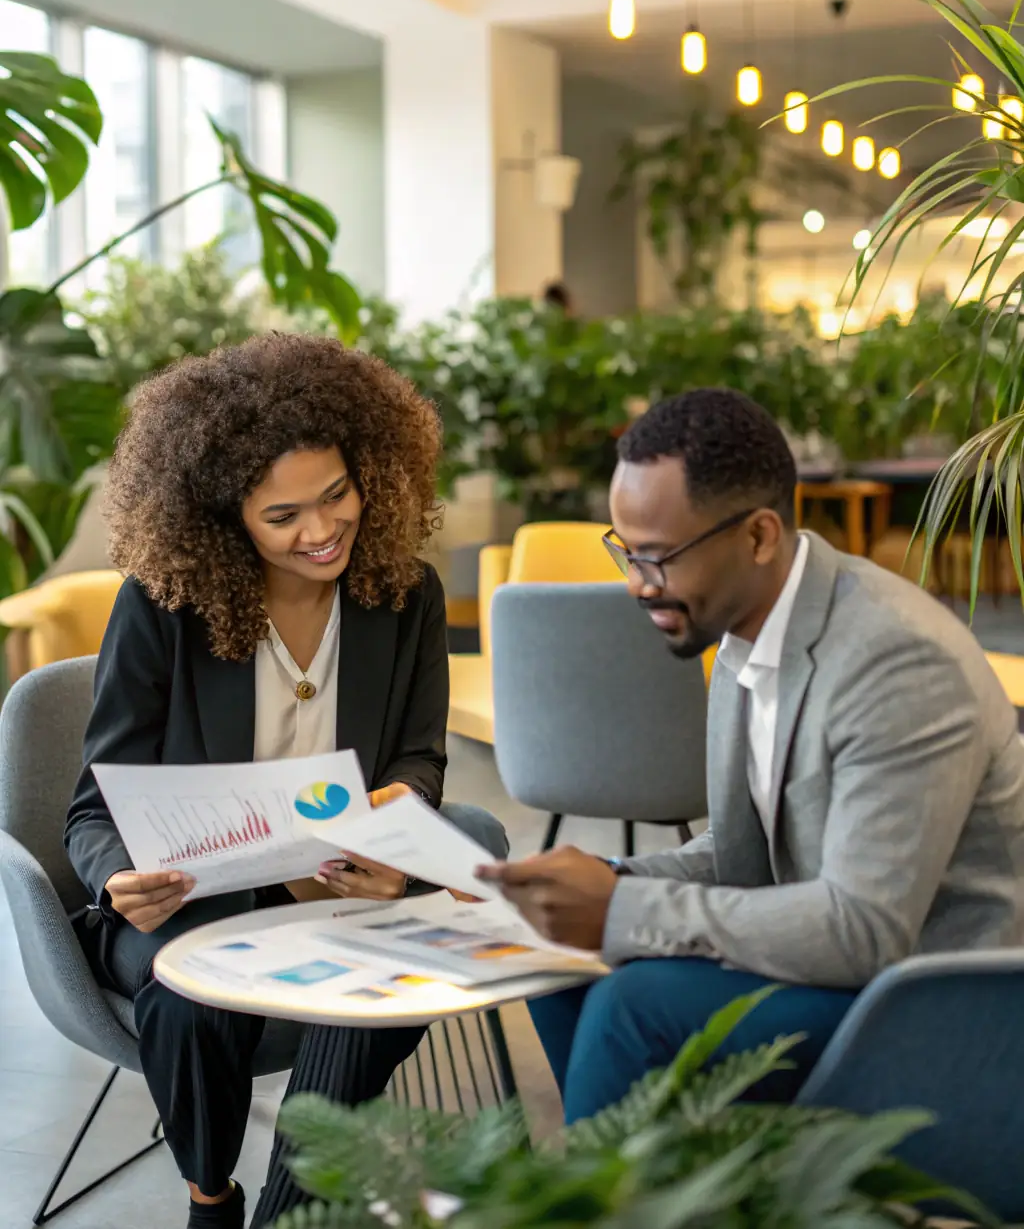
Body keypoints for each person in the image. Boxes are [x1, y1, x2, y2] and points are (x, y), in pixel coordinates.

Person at [478, 387, 1024, 1123]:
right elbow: (746, 852)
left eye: (658, 556)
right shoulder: (741, 632)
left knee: (634, 1007)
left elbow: (863, 928)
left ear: (760, 536)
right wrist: (600, 884)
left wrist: (623, 908)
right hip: (842, 968)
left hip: (936, 1007)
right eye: (625, 550)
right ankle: (675, 1194)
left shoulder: (897, 661)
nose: (637, 584)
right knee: (556, 959)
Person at [64, 333, 507, 1229]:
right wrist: (119, 877)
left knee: (382, 970)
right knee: (192, 995)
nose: (322, 528)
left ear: (369, 469)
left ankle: (290, 1211)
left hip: (335, 888)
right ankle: (211, 1196)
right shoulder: (164, 607)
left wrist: (397, 825)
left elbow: (419, 757)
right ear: (225, 519)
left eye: (337, 493)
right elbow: (92, 805)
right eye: (283, 515)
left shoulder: (404, 593)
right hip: (191, 900)